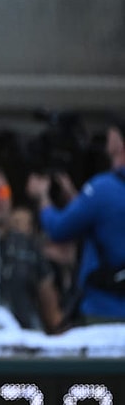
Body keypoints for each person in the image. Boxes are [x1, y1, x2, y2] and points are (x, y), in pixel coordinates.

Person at [26, 120, 125, 323]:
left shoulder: (103, 188)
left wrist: (43, 197)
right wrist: (77, 198)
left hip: (104, 310)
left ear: (116, 144)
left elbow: (58, 229)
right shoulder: (102, 192)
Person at [0, 165, 65, 332]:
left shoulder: (28, 245)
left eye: (3, 192)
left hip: (25, 345)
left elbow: (51, 308)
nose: (0, 200)